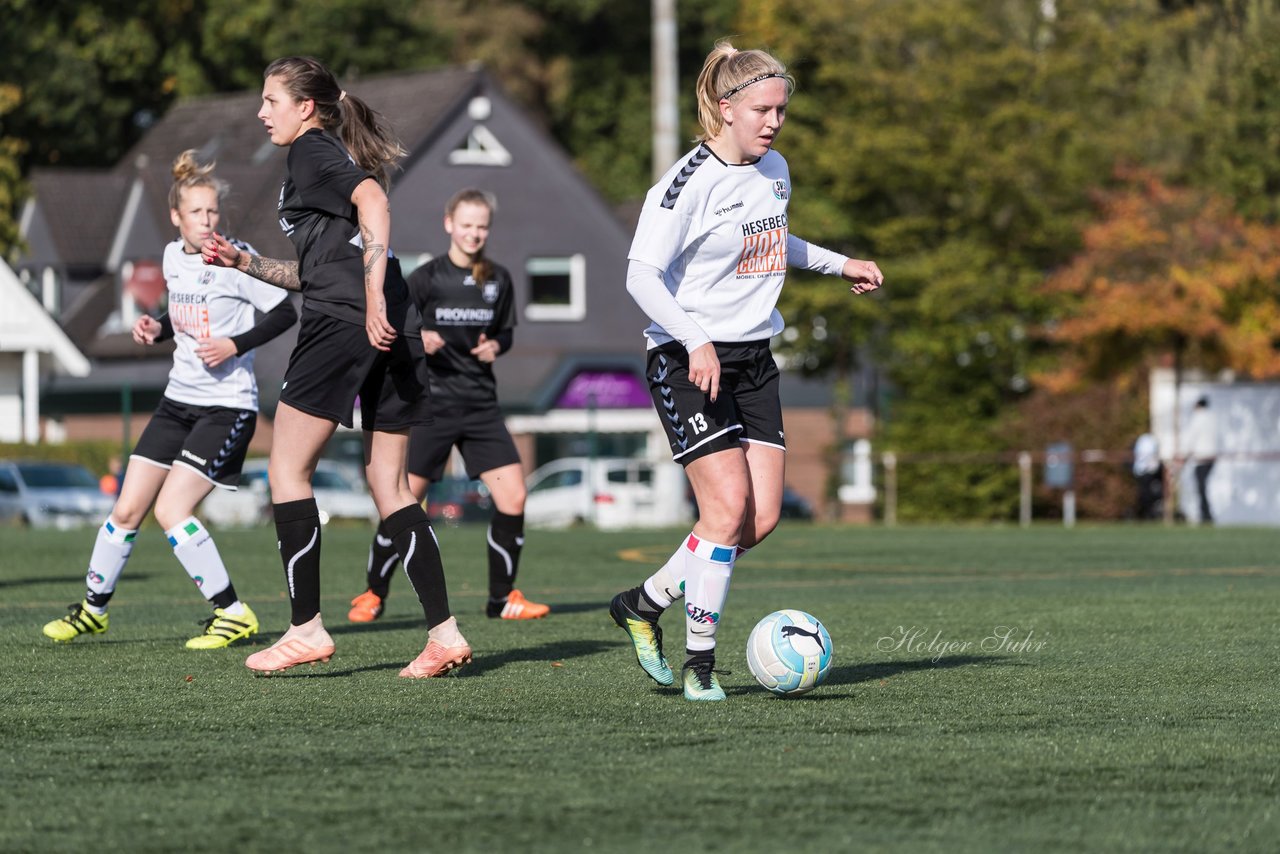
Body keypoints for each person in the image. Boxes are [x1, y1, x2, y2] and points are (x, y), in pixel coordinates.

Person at [608, 40, 883, 701]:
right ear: (725, 108)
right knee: (726, 510)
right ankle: (701, 663)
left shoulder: (774, 168)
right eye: (763, 110)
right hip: (685, 361)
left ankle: (643, 603)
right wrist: (695, 338)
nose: (774, 122)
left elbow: (771, 238)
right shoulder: (683, 185)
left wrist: (839, 262)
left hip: (755, 359)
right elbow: (639, 274)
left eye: (781, 111)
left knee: (756, 522)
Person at [201, 56, 470, 678]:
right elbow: (322, 268)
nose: (261, 112)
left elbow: (374, 201)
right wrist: (246, 266)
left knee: (288, 472)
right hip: (391, 323)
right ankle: (444, 635)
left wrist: (372, 296)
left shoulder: (310, 152)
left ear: (306, 108)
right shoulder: (321, 157)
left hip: (350, 320)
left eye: (271, 100)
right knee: (389, 484)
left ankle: (306, 629)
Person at [42, 150, 297, 649]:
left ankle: (233, 612)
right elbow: (179, 314)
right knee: (126, 509)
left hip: (228, 407)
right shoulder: (169, 257)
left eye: (212, 212)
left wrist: (235, 345)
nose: (207, 221)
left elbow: (285, 312)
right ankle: (93, 611)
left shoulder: (232, 257)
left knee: (171, 511)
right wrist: (154, 326)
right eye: (197, 213)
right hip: (177, 403)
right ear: (176, 217)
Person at [348, 189, 549, 624]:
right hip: (433, 407)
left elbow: (506, 334)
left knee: (513, 497)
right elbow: (398, 328)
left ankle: (501, 599)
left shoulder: (497, 279)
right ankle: (372, 593)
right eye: (466, 224)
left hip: (481, 407)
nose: (474, 233)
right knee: (404, 501)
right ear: (449, 225)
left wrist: (496, 344)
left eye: (481, 226)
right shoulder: (425, 279)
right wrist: (422, 338)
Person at [1184, 396, 1218, 524]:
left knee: (1200, 487)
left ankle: (1206, 515)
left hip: (1201, 458)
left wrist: (1184, 456)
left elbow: (1191, 438)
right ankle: (1206, 514)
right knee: (1202, 486)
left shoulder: (1198, 418)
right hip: (1211, 457)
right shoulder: (1212, 418)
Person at [1132, 431, 1162, 520]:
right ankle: (1146, 513)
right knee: (1145, 493)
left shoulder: (1146, 440)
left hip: (1146, 470)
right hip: (1144, 470)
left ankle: (1148, 512)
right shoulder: (1147, 440)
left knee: (1148, 492)